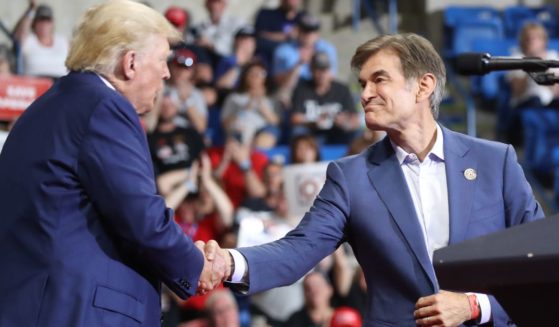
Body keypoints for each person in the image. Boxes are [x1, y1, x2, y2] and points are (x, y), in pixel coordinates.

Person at [201, 33, 544, 326]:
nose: (364, 94)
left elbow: (539, 266)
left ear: (423, 86)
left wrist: (474, 305)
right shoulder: (350, 178)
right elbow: (296, 252)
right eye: (362, 83)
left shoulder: (495, 162)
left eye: (379, 80)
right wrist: (229, 263)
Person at [0, 1, 229, 326]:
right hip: (79, 312)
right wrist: (197, 266)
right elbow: (142, 218)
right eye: (162, 60)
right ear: (130, 63)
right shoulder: (104, 107)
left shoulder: (48, 106)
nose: (167, 72)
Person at [291, 52, 360, 144]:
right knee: (298, 132)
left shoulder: (342, 89)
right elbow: (295, 118)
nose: (321, 74)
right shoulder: (302, 89)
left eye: (324, 70)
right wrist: (313, 121)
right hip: (312, 134)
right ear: (311, 70)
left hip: (338, 132)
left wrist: (344, 123)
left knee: (357, 134)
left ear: (330, 71)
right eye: (317, 69)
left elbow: (355, 120)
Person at [13, 1, 68, 78]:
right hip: (35, 85)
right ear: (34, 23)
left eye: (47, 19)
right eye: (41, 19)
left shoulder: (62, 41)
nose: (44, 23)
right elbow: (18, 34)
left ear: (52, 22)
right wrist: (31, 9)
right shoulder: (29, 41)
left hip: (60, 84)